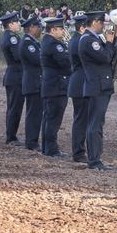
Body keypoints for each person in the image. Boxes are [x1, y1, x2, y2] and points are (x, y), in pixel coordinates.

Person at [79, 12, 117, 171]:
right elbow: (105, 58)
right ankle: (94, 160)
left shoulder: (92, 38)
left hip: (99, 85)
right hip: (97, 86)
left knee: (96, 123)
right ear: (94, 22)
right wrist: (109, 43)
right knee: (95, 124)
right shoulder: (89, 40)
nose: (103, 26)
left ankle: (95, 158)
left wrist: (113, 41)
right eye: (102, 23)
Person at [38, 17, 71, 158]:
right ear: (53, 30)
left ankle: (47, 147)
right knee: (53, 119)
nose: (63, 31)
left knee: (49, 118)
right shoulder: (53, 44)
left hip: (52, 85)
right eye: (60, 29)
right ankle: (51, 149)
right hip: (56, 86)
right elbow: (65, 62)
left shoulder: (48, 42)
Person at [19, 16, 44, 152]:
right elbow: (38, 59)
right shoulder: (28, 44)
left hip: (35, 81)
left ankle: (32, 140)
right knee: (33, 114)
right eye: (38, 27)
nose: (40, 29)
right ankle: (31, 142)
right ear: (31, 28)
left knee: (36, 113)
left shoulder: (33, 42)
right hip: (33, 82)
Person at [0, 13, 25, 145]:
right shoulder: (12, 38)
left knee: (13, 107)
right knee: (15, 108)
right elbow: (18, 56)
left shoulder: (8, 36)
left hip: (13, 75)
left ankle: (11, 135)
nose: (19, 24)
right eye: (17, 22)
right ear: (10, 24)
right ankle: (11, 137)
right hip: (16, 76)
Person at [67, 14, 89, 162]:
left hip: (79, 82)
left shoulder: (76, 39)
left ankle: (79, 150)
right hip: (80, 83)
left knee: (81, 119)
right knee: (81, 119)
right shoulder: (78, 41)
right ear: (82, 28)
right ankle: (78, 152)